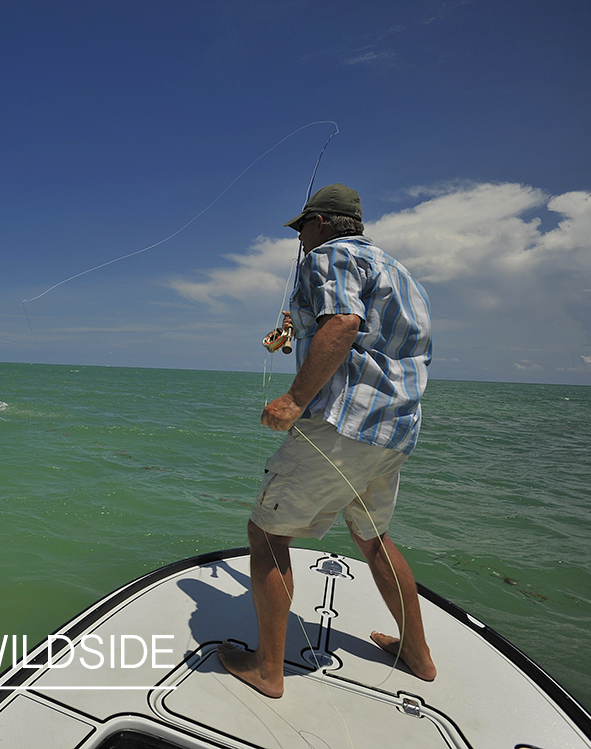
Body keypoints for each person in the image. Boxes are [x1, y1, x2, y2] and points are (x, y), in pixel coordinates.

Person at [218, 183, 437, 698]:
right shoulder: (399, 272)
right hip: (393, 430)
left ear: (319, 222)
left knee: (266, 535)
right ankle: (418, 654)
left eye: (302, 228)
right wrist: (298, 328)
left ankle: (268, 670)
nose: (299, 239)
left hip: (343, 423)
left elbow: (343, 322)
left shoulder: (327, 256)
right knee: (374, 538)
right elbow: (361, 329)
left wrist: (294, 399)